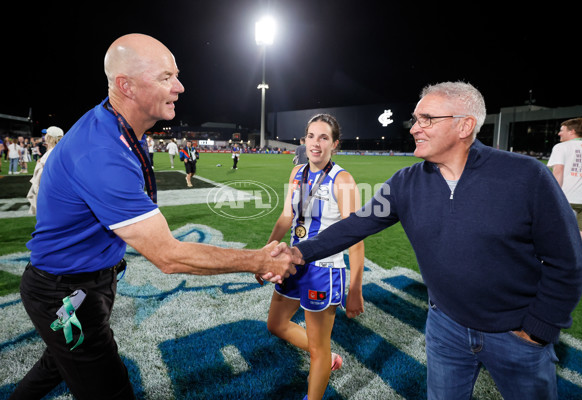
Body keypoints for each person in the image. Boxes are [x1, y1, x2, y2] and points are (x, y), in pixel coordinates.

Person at [10, 33, 298, 400]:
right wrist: (256, 259)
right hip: (65, 291)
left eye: (175, 75)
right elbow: (168, 256)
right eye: (165, 77)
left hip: (87, 279)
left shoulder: (119, 127)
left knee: (58, 364)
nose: (179, 86)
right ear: (125, 86)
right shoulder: (102, 151)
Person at [274, 82, 582, 400]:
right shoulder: (405, 183)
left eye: (427, 119)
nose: (414, 128)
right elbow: (353, 226)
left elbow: (567, 261)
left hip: (515, 334)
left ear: (464, 125)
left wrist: (538, 329)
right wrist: (298, 252)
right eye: (415, 119)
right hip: (445, 328)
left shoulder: (526, 176)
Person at [256, 114, 364, 400]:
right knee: (276, 324)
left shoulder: (343, 180)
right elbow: (286, 217)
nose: (316, 143)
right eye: (311, 136)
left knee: (318, 347)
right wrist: (264, 254)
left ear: (334, 144)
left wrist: (355, 289)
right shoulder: (297, 173)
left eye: (324, 137)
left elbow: (355, 237)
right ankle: (327, 357)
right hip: (293, 263)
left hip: (324, 270)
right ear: (304, 141)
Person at [548, 118, 582, 292]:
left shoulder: (561, 148)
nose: (559, 133)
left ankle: (555, 275)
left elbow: (558, 172)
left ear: (571, 131)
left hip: (567, 199)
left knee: (556, 237)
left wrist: (553, 196)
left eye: (562, 130)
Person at [27, 126, 64, 215]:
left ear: (50, 137)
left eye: (46, 135)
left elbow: (44, 174)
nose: (44, 137)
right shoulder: (58, 150)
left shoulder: (52, 152)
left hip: (47, 188)